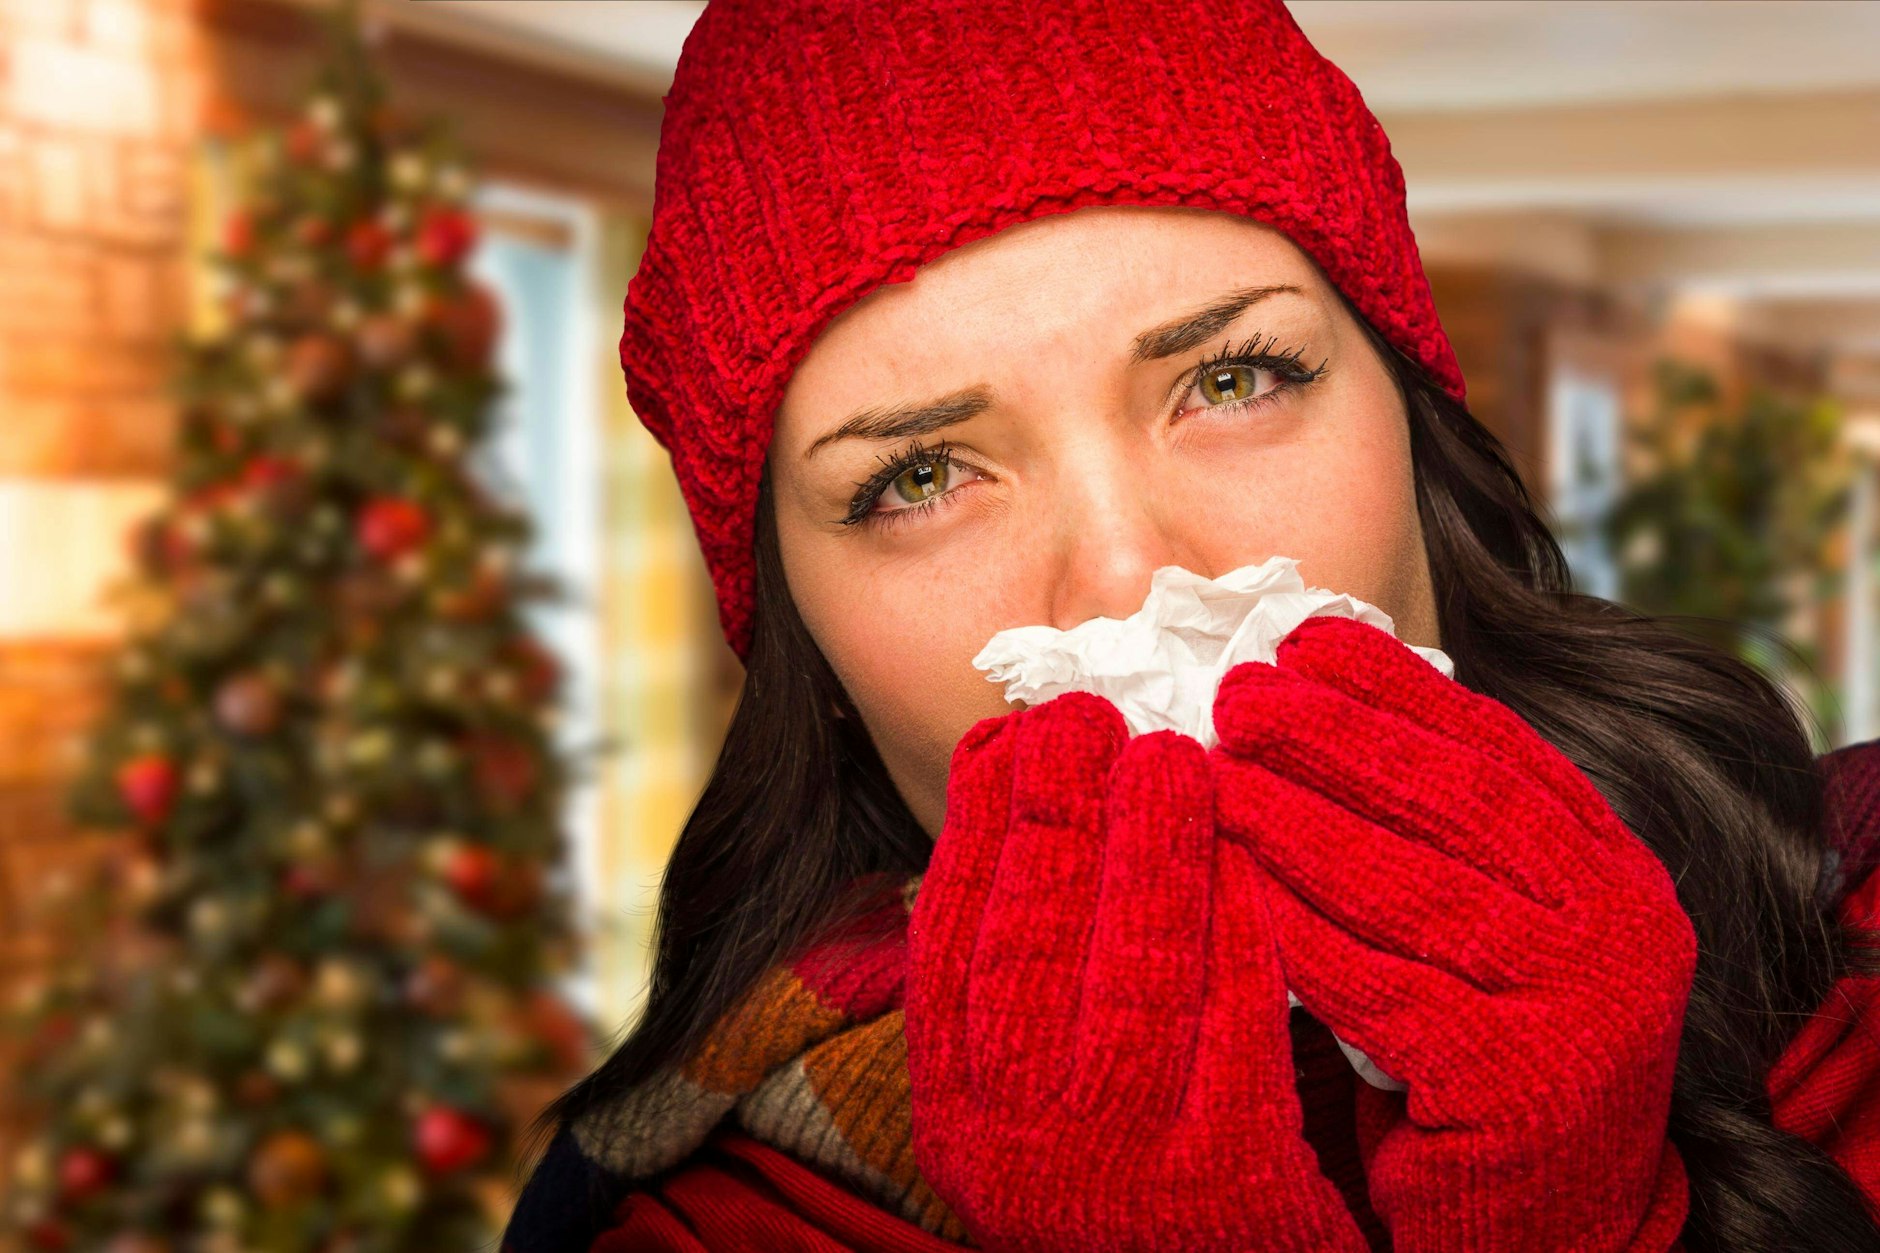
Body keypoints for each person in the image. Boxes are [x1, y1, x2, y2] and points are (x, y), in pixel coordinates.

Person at [500, 1, 1880, 1249]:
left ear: (1415, 427)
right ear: (809, 641)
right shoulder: (697, 1229)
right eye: (918, 477)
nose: (1125, 577)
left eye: (1232, 379)